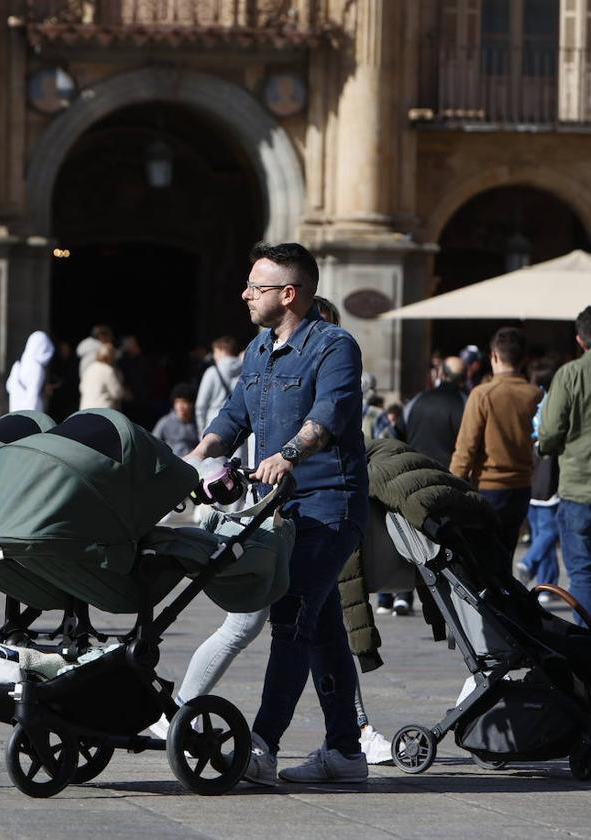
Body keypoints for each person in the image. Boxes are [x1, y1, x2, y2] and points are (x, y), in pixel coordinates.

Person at [189, 241, 369, 785]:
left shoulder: (335, 345)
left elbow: (327, 415)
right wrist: (193, 459)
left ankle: (262, 746)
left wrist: (286, 454)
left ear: (289, 294)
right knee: (323, 628)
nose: (245, 294)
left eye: (257, 287)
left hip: (329, 502)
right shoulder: (258, 350)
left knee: (290, 619)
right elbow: (233, 415)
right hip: (278, 508)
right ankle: (346, 751)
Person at [450, 326, 541, 571]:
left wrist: (452, 488)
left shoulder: (482, 394)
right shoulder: (534, 395)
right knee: (504, 559)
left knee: (482, 566)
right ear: (524, 360)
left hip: (488, 487)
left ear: (494, 356)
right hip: (521, 487)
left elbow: (465, 449)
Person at [538, 305, 591, 626]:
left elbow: (549, 432)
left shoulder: (570, 374)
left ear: (580, 340)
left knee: (583, 572)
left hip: (579, 487)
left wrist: (549, 447)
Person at [519, 358, 560, 598]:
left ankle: (547, 582)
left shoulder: (530, 403)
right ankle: (534, 566)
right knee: (549, 528)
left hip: (530, 471)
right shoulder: (551, 403)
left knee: (540, 528)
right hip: (547, 470)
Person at [405, 356, 466, 466]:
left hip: (415, 472)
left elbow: (396, 432)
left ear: (441, 374)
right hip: (449, 477)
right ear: (464, 378)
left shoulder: (417, 400)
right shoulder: (466, 403)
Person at [194, 336, 242, 438]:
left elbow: (201, 405)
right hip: (238, 427)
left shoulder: (212, 372)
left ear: (220, 350)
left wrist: (201, 432)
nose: (214, 356)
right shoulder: (245, 371)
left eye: (215, 352)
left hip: (214, 427)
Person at [6, 330, 53, 413]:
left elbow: (9, 386)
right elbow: (33, 394)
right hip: (30, 412)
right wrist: (32, 417)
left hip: (15, 409)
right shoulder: (36, 367)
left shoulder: (19, 363)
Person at [152, 383, 198, 458]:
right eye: (177, 402)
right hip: (172, 462)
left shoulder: (197, 423)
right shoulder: (165, 422)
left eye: (184, 402)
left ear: (192, 404)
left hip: (192, 462)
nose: (180, 406)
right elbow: (153, 443)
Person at [78, 342, 126, 410]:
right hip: (102, 410)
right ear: (110, 356)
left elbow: (81, 387)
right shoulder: (108, 370)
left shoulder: (90, 368)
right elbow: (117, 393)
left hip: (85, 409)